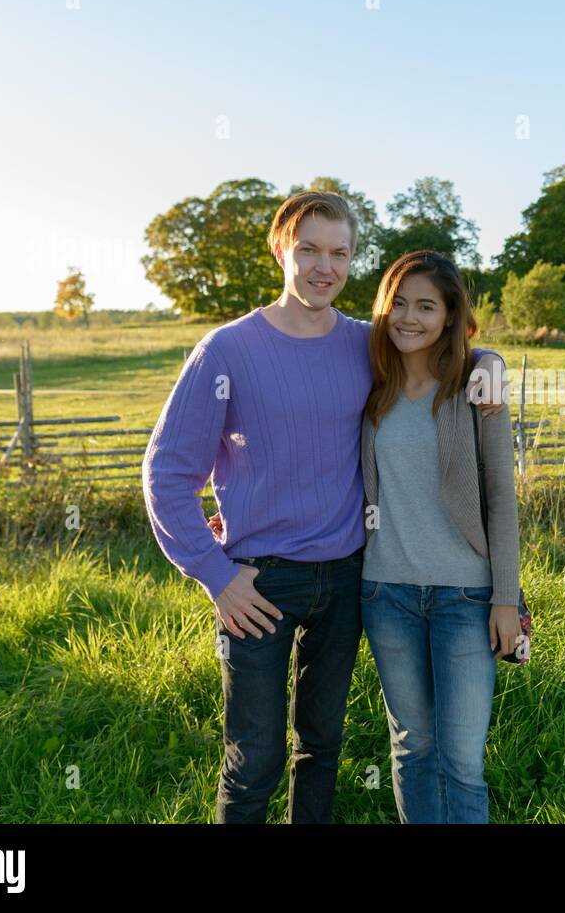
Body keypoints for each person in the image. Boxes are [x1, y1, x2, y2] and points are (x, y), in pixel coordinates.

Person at [142, 191, 504, 823]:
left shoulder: (367, 347)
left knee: (322, 748)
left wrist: (491, 361)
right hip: (256, 579)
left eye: (339, 253)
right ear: (282, 250)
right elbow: (168, 473)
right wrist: (215, 573)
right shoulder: (226, 351)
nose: (323, 266)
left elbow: (439, 345)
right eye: (309, 249)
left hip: (346, 578)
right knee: (253, 759)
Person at [359, 249, 522, 823]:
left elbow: (502, 500)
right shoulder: (370, 384)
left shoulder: (478, 387)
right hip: (386, 594)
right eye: (398, 303)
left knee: (462, 762)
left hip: (466, 597)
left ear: (451, 316)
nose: (410, 317)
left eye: (427, 306)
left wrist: (506, 598)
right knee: (412, 749)